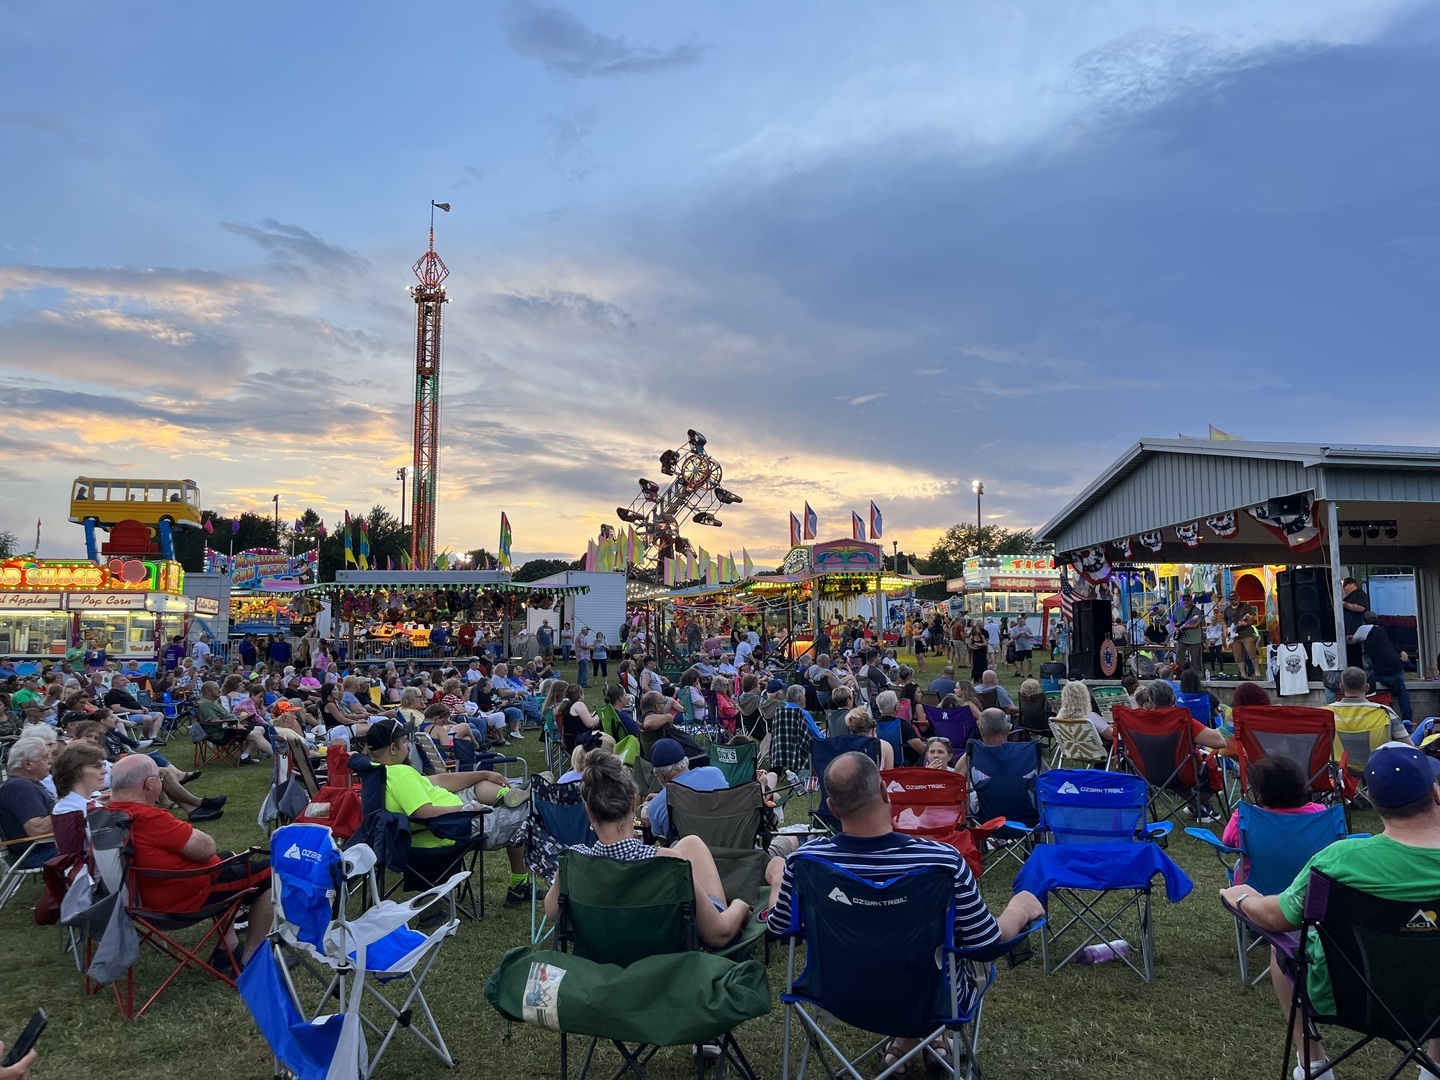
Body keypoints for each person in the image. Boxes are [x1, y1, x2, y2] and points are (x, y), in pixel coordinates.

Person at [769, 752, 1044, 1064]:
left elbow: (779, 927)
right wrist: (1019, 909)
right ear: (886, 793)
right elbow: (985, 943)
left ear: (831, 808)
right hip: (931, 999)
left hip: (840, 996)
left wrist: (777, 876)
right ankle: (933, 1040)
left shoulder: (804, 862)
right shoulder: (942, 862)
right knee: (943, 955)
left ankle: (906, 1042)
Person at [1219, 745, 1440, 1080]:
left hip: (1351, 997)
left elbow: (1278, 919)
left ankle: (1314, 1063)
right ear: (1436, 792)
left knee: (1285, 953)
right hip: (1434, 1001)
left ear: (1376, 803)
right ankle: (1435, 1066)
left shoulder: (1339, 860)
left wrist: (1243, 898)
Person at [542, 749, 766, 948]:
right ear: (633, 802)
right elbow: (719, 934)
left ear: (589, 810)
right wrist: (740, 906)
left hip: (604, 954)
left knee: (690, 843)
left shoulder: (573, 862)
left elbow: (552, 911)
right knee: (692, 844)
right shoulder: (667, 861)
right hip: (667, 963)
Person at [106, 754, 273, 967]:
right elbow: (205, 848)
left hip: (142, 895)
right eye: (160, 778)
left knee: (228, 858)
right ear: (149, 784)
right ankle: (253, 960)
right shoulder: (148, 818)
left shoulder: (106, 815)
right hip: (182, 898)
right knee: (272, 874)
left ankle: (228, 949)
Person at [366, 717, 533, 906]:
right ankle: (519, 886)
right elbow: (425, 812)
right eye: (405, 741)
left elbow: (439, 781)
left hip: (437, 823)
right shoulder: (400, 775)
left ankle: (508, 794)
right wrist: (467, 808)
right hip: (452, 827)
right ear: (393, 748)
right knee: (527, 812)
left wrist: (483, 774)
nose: (408, 746)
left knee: (479, 784)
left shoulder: (377, 772)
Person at [1219, 754, 1326, 884]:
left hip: (1256, 895)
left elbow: (1227, 842)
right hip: (1309, 892)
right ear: (1301, 785)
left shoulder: (1244, 817)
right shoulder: (1322, 815)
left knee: (1239, 864)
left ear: (1260, 793)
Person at [643, 737, 730, 839]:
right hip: (733, 846)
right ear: (686, 761)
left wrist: (661, 800)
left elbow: (660, 839)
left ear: (660, 774)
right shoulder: (715, 773)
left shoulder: (657, 805)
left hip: (691, 853)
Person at [0, 738, 57, 869]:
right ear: (28, 764)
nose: (51, 761)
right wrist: (75, 809)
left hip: (46, 847)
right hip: (36, 853)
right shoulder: (20, 787)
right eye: (45, 757)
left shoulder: (28, 784)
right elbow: (37, 829)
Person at [1326, 665, 1411, 744]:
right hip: (1377, 760)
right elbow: (1408, 746)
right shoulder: (1385, 712)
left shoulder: (1326, 713)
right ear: (1367, 687)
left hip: (1339, 760)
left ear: (1341, 687)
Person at [1353, 612, 1412, 725]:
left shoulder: (1364, 628)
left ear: (1364, 621)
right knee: (1402, 692)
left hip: (1381, 664)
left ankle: (1388, 681)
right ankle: (1407, 718)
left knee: (1367, 677)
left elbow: (1353, 640)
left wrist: (1349, 637)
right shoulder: (1381, 630)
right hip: (1396, 662)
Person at [50, 742, 108, 817]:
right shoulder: (68, 810)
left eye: (103, 765)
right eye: (97, 766)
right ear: (75, 771)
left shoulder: (90, 804)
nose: (105, 771)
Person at [1340, 577, 1371, 670]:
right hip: (1348, 630)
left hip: (1356, 630)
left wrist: (1345, 604)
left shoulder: (1360, 595)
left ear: (1351, 584)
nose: (1344, 589)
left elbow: (1361, 608)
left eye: (1345, 586)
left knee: (1355, 656)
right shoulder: (1349, 596)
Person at [1172, 593, 1205, 674]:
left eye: (1188, 599)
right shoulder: (1177, 610)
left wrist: (1185, 627)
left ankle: (1194, 674)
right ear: (1181, 600)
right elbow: (1172, 621)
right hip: (1182, 637)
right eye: (1184, 599)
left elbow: (1196, 624)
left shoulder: (1196, 610)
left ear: (1191, 600)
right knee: (1179, 656)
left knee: (1195, 658)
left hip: (1194, 638)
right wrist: (1175, 628)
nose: (1185, 601)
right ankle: (1178, 673)